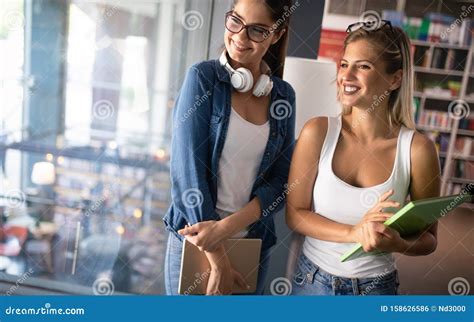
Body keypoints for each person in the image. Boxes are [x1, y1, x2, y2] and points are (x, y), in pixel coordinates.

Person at [286, 20, 440, 295]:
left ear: (395, 79)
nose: (346, 75)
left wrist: (396, 243)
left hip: (376, 289)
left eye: (363, 66)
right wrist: (354, 233)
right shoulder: (317, 132)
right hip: (312, 283)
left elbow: (428, 238)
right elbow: (295, 215)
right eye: (345, 64)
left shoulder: (418, 150)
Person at [164, 0, 295, 295]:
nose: (239, 36)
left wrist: (225, 228)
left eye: (257, 30)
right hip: (195, 242)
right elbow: (188, 174)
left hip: (252, 244)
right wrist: (218, 258)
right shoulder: (202, 79)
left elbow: (281, 182)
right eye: (235, 21)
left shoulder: (283, 96)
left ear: (277, 34)